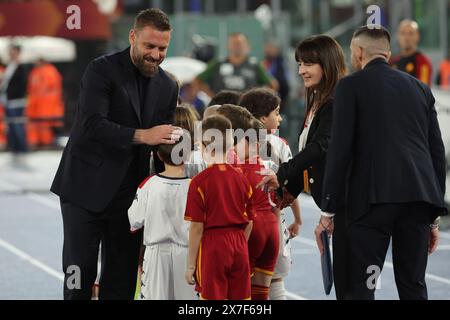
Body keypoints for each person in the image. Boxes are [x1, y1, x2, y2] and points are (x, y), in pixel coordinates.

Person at [51, 8, 181, 300]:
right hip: (84, 189)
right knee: (78, 273)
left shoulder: (168, 86)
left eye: (162, 48)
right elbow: (91, 125)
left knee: (121, 279)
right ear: (132, 37)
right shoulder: (101, 69)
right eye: (149, 46)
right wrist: (142, 135)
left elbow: (163, 142)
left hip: (130, 197)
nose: (156, 55)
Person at [319, 25, 447, 300]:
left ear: (358, 52)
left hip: (371, 205)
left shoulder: (350, 86)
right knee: (413, 285)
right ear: (388, 53)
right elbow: (436, 152)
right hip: (417, 202)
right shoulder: (420, 88)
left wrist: (328, 207)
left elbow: (340, 149)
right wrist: (433, 215)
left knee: (365, 285)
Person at [256, 35, 347, 298]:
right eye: (299, 64)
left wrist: (283, 174)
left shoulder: (335, 101)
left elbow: (320, 148)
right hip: (334, 203)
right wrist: (288, 190)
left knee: (351, 284)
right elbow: (313, 155)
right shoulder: (318, 98)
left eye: (308, 64)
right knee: (344, 282)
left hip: (348, 205)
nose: (301, 71)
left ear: (327, 64)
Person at [239, 88, 302, 300]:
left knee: (242, 282)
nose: (280, 117)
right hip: (272, 220)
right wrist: (296, 217)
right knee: (273, 280)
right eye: (276, 112)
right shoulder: (279, 145)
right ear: (263, 118)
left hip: (242, 222)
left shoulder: (233, 144)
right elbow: (293, 184)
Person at [184, 115, 254, 300]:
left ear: (205, 147)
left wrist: (191, 265)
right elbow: (250, 222)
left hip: (213, 245)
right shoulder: (241, 178)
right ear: (231, 145)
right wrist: (239, 245)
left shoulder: (199, 182)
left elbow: (197, 227)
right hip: (239, 243)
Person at [128, 137, 196, 300]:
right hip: (187, 254)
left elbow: (134, 220)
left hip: (156, 253)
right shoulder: (195, 186)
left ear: (158, 155)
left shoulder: (149, 184)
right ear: (188, 156)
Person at [192, 33, 278, 97]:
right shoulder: (218, 64)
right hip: (222, 110)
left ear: (247, 46)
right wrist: (212, 96)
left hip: (247, 111)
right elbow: (197, 80)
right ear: (228, 46)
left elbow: (273, 85)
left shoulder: (254, 65)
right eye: (234, 43)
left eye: (240, 43)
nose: (237, 46)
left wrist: (259, 99)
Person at [26, 58, 64, 149]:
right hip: (36, 104)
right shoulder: (35, 71)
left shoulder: (50, 71)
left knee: (45, 123)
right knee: (37, 123)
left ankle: (46, 142)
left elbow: (50, 88)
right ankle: (36, 141)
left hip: (46, 104)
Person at [0, 45, 28, 162]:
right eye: (11, 52)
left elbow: (21, 85)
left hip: (16, 101)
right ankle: (15, 149)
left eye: (14, 52)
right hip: (8, 100)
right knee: (12, 126)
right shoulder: (10, 66)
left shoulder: (20, 67)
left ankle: (22, 150)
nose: (12, 54)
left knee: (17, 126)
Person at [390, 19, 432, 86]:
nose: (406, 37)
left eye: (411, 33)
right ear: (398, 36)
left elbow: (424, 89)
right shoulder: (392, 61)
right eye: (403, 33)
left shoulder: (423, 63)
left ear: (418, 36)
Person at [263, 42, 291, 112]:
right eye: (267, 49)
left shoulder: (281, 63)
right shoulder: (264, 63)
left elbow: (283, 83)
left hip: (281, 96)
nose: (268, 51)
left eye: (270, 49)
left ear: (276, 50)